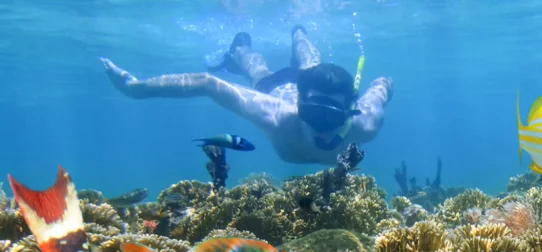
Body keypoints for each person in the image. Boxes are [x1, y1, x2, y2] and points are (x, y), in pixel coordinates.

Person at [100, 25, 393, 165]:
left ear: (350, 111)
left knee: (313, 66)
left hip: (310, 87)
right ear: (300, 104)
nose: (321, 127)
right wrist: (136, 89)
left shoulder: (365, 125)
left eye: (332, 116)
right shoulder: (276, 115)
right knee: (262, 72)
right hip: (277, 89)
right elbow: (207, 83)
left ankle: (297, 34)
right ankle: (252, 45)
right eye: (314, 113)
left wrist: (385, 85)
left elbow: (382, 85)